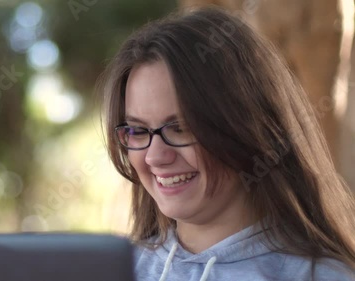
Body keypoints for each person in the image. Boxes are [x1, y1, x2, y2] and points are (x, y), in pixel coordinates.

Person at [98, 7, 355, 281]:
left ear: (249, 127)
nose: (155, 157)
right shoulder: (112, 272)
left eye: (181, 128)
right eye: (138, 130)